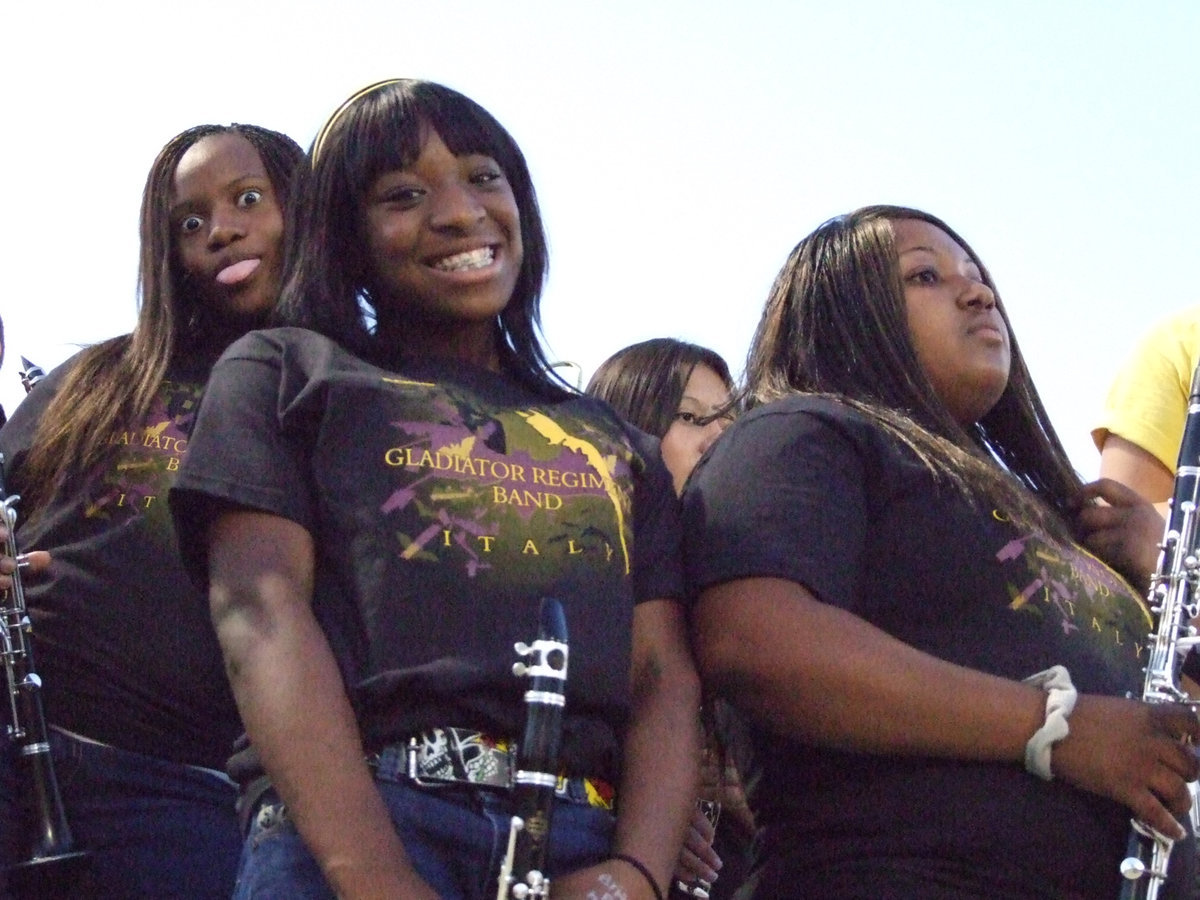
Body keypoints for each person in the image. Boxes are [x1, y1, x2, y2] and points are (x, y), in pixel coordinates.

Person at [168, 78, 700, 900]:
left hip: (575, 843)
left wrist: (637, 876)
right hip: (355, 831)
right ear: (343, 235)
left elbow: (662, 673)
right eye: (404, 196)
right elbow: (259, 612)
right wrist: (374, 876)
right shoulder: (284, 372)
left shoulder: (614, 440)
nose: (459, 213)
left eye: (484, 177)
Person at [681, 205, 1200, 899]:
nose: (978, 293)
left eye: (978, 276)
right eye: (925, 276)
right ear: (846, 314)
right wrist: (1057, 729)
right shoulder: (803, 433)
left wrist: (1165, 571)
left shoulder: (1058, 517)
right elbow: (754, 638)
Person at [0, 122, 304, 898]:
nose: (220, 230)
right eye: (189, 222)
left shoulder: (348, 391)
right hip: (20, 734)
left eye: (248, 200)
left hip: (187, 789)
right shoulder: (96, 376)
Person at [586, 338, 750, 898]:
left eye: (731, 419)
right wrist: (648, 810)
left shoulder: (755, 585)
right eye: (690, 417)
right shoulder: (588, 579)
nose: (719, 436)